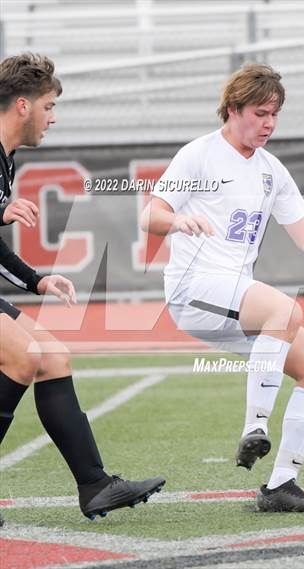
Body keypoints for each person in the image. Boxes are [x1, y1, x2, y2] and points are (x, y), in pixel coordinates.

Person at [141, 63, 304, 513]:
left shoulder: (271, 170)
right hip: (193, 290)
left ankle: (281, 485)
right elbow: (149, 214)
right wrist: (177, 219)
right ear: (232, 109)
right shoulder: (199, 155)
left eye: (275, 114)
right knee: (284, 311)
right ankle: (254, 427)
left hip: (235, 297)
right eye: (261, 113)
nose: (269, 124)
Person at [0, 53, 165, 526]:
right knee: (22, 355)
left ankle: (95, 485)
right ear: (24, 106)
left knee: (53, 356)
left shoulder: (5, 158)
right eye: (49, 106)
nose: (54, 117)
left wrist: (37, 280)